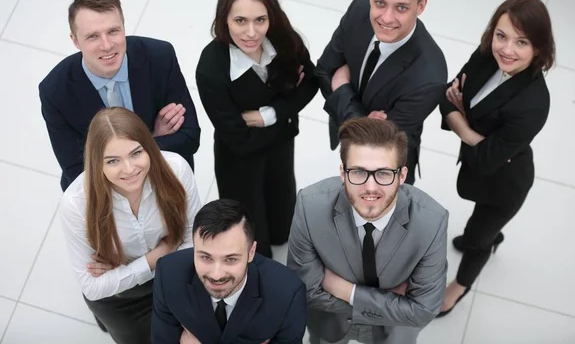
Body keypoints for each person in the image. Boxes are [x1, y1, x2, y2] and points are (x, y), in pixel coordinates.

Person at [437, 0, 555, 316]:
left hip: (506, 183)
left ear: (539, 49)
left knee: (477, 240)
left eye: (522, 42)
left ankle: (460, 287)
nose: (506, 49)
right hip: (487, 168)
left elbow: (486, 158)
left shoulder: (534, 104)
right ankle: (493, 234)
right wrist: (473, 133)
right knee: (482, 226)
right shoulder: (486, 56)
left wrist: (462, 123)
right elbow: (446, 97)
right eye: (501, 35)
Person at [287, 118, 448, 344]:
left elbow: (422, 310)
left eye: (383, 173)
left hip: (393, 333)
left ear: (402, 176)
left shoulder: (432, 222)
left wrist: (346, 291)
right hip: (330, 325)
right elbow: (305, 292)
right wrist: (394, 302)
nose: (370, 187)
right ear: (343, 173)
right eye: (359, 172)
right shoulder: (309, 206)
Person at [195, 0, 318, 258]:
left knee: (282, 213)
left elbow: (311, 83)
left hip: (279, 148)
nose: (251, 33)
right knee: (250, 231)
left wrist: (268, 116)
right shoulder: (211, 68)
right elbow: (238, 140)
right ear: (224, 19)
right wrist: (286, 122)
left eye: (260, 20)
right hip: (238, 162)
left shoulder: (286, 41)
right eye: (240, 21)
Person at [60, 107, 202, 344]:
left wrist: (122, 269)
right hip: (121, 300)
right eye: (113, 160)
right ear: (97, 163)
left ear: (149, 146)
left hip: (174, 277)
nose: (129, 169)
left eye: (136, 153)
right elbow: (92, 287)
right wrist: (159, 254)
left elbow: (194, 240)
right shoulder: (76, 203)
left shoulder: (176, 169)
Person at [39, 0, 200, 192]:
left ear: (124, 27)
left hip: (163, 175)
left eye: (113, 31)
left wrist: (116, 159)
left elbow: (189, 137)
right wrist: (150, 140)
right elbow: (76, 171)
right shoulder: (55, 90)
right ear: (75, 41)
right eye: (92, 36)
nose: (106, 46)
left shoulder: (159, 57)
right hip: (104, 193)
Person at [315, 0, 447, 185]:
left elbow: (376, 147)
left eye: (402, 8)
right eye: (380, 3)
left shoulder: (429, 77)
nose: (386, 17)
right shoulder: (359, 8)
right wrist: (366, 120)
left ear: (421, 6)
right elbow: (324, 72)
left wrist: (343, 89)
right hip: (347, 130)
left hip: (387, 168)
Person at [152, 198, 307, 344]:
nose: (216, 275)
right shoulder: (168, 275)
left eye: (230, 259)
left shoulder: (287, 294)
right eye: (206, 257)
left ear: (251, 252)